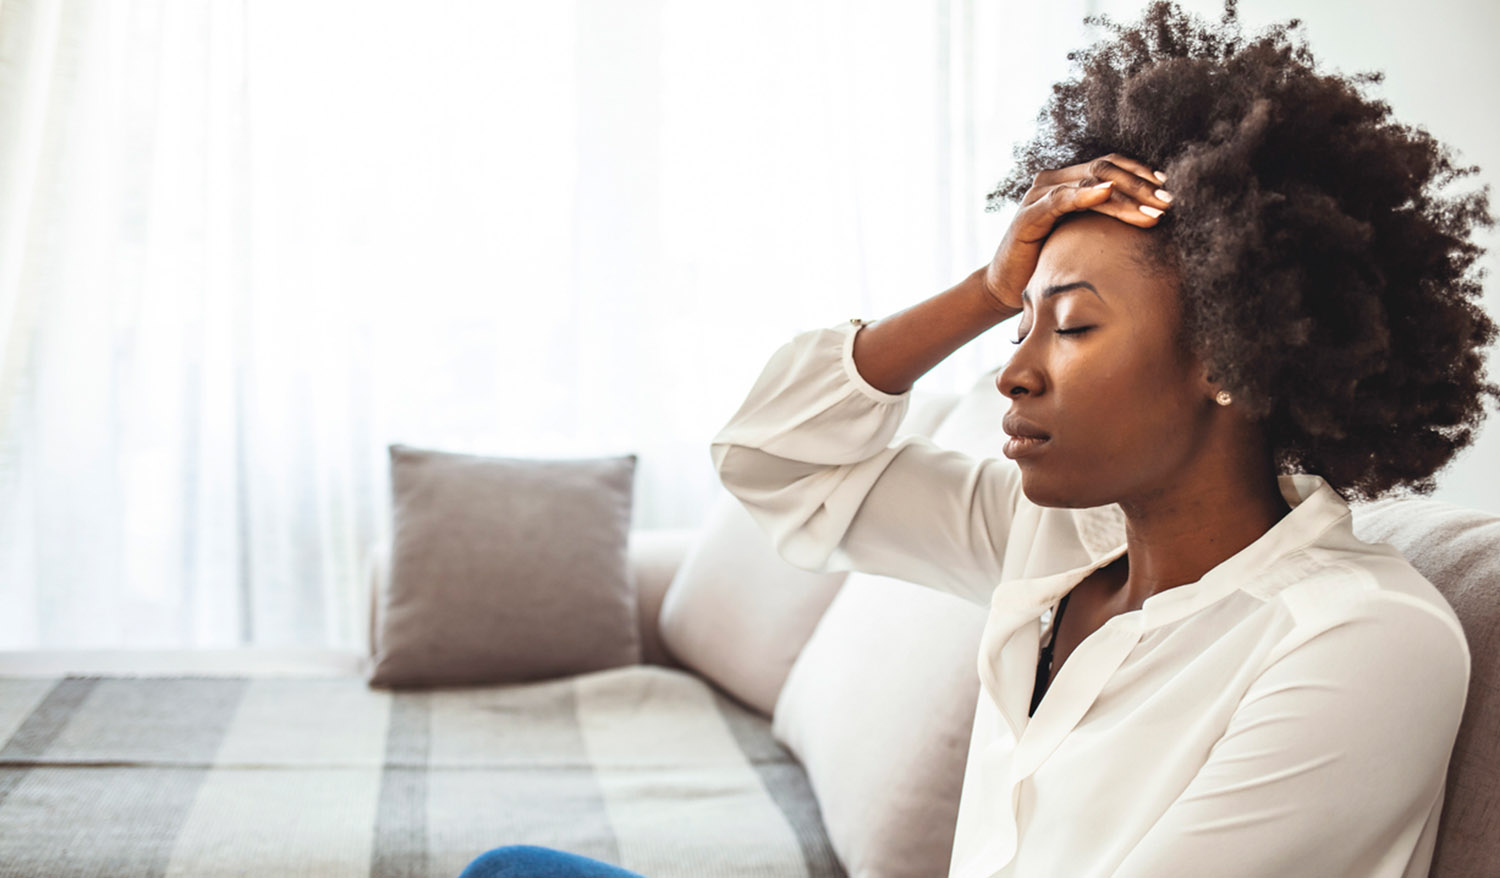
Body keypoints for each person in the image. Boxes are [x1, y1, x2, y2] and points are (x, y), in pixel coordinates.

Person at [459, 1, 1494, 875]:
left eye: (1074, 324)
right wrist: (982, 286)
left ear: (1229, 357)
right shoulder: (1055, 542)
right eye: (1020, 320)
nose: (1012, 366)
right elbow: (773, 459)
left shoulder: (1357, 639)